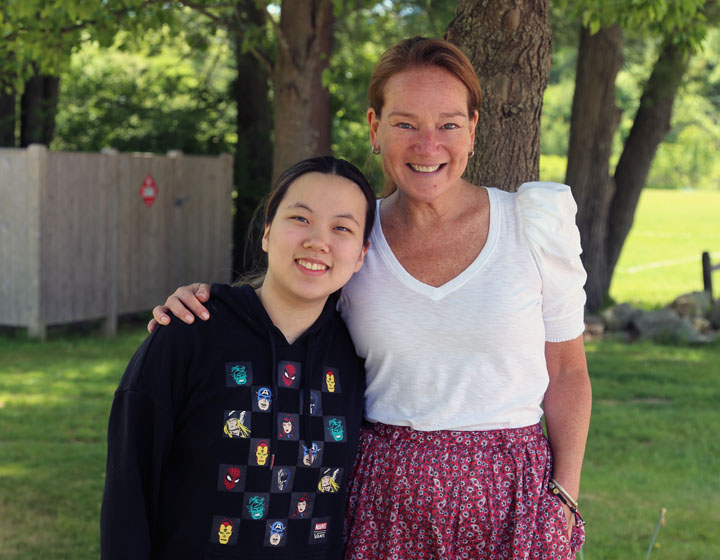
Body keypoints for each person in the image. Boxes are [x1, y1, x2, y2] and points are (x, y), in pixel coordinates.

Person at [149, 37, 591, 560]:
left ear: (473, 130)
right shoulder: (354, 238)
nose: (428, 145)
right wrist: (209, 303)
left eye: (448, 124)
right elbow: (287, 298)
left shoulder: (532, 225)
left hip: (512, 497)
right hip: (382, 498)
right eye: (405, 123)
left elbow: (567, 373)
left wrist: (563, 497)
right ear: (374, 127)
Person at [100, 156, 376, 559]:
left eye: (342, 228)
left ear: (361, 254)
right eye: (300, 219)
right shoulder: (191, 332)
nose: (318, 241)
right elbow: (129, 488)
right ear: (267, 231)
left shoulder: (357, 356)